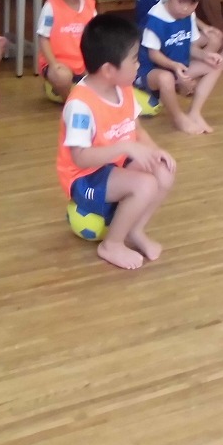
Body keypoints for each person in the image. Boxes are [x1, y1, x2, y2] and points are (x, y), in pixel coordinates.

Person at [58, 14, 177, 271]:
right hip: (85, 177)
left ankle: (135, 230)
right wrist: (124, 147)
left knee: (163, 172)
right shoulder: (80, 106)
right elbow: (80, 158)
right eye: (134, 59)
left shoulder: (124, 88)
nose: (139, 64)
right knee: (145, 185)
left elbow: (137, 129)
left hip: (115, 165)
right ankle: (111, 244)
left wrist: (155, 151)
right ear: (109, 70)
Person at [136, 0, 223, 135]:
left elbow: (190, 47)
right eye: (181, 2)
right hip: (150, 73)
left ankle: (195, 112)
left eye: (192, 3)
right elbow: (153, 55)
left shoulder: (188, 15)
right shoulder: (155, 18)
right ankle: (178, 118)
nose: (186, 8)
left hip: (176, 68)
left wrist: (205, 56)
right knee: (166, 78)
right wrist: (174, 66)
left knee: (216, 65)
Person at [37, 0, 98, 100]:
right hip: (59, 64)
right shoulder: (52, 6)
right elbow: (43, 38)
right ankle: (68, 101)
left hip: (83, 64)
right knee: (62, 76)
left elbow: (95, 36)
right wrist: (53, 64)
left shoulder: (90, 6)